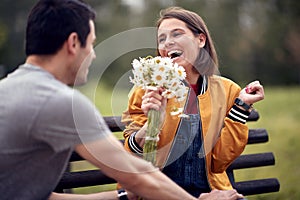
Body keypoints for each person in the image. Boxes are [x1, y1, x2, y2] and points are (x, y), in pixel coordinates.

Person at [0, 1, 244, 200]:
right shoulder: (62, 104)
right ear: (74, 43)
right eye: (92, 44)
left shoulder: (7, 89)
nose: (94, 54)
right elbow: (135, 173)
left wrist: (121, 197)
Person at [122, 6, 265, 198]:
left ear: (200, 40)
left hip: (212, 192)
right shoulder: (147, 90)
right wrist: (151, 125)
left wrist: (241, 107)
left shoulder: (227, 90)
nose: (168, 43)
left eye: (177, 34)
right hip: (158, 193)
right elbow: (132, 157)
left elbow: (219, 163)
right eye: (162, 39)